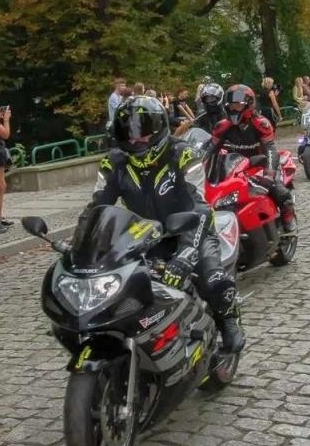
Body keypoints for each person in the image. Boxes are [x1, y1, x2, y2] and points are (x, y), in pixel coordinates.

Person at [85, 97, 244, 353]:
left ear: (159, 130)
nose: (137, 140)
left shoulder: (183, 154)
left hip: (194, 230)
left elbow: (200, 206)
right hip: (145, 235)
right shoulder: (114, 162)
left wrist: (186, 253)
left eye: (144, 134)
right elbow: (97, 207)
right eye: (130, 135)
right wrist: (82, 245)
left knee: (212, 279)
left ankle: (229, 318)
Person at [210, 86, 297, 233]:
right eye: (231, 105)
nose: (234, 108)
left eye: (238, 105)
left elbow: (270, 149)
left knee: (278, 190)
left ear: (249, 104)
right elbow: (210, 150)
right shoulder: (222, 126)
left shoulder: (261, 123)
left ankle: (288, 214)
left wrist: (269, 175)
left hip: (259, 165)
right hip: (233, 168)